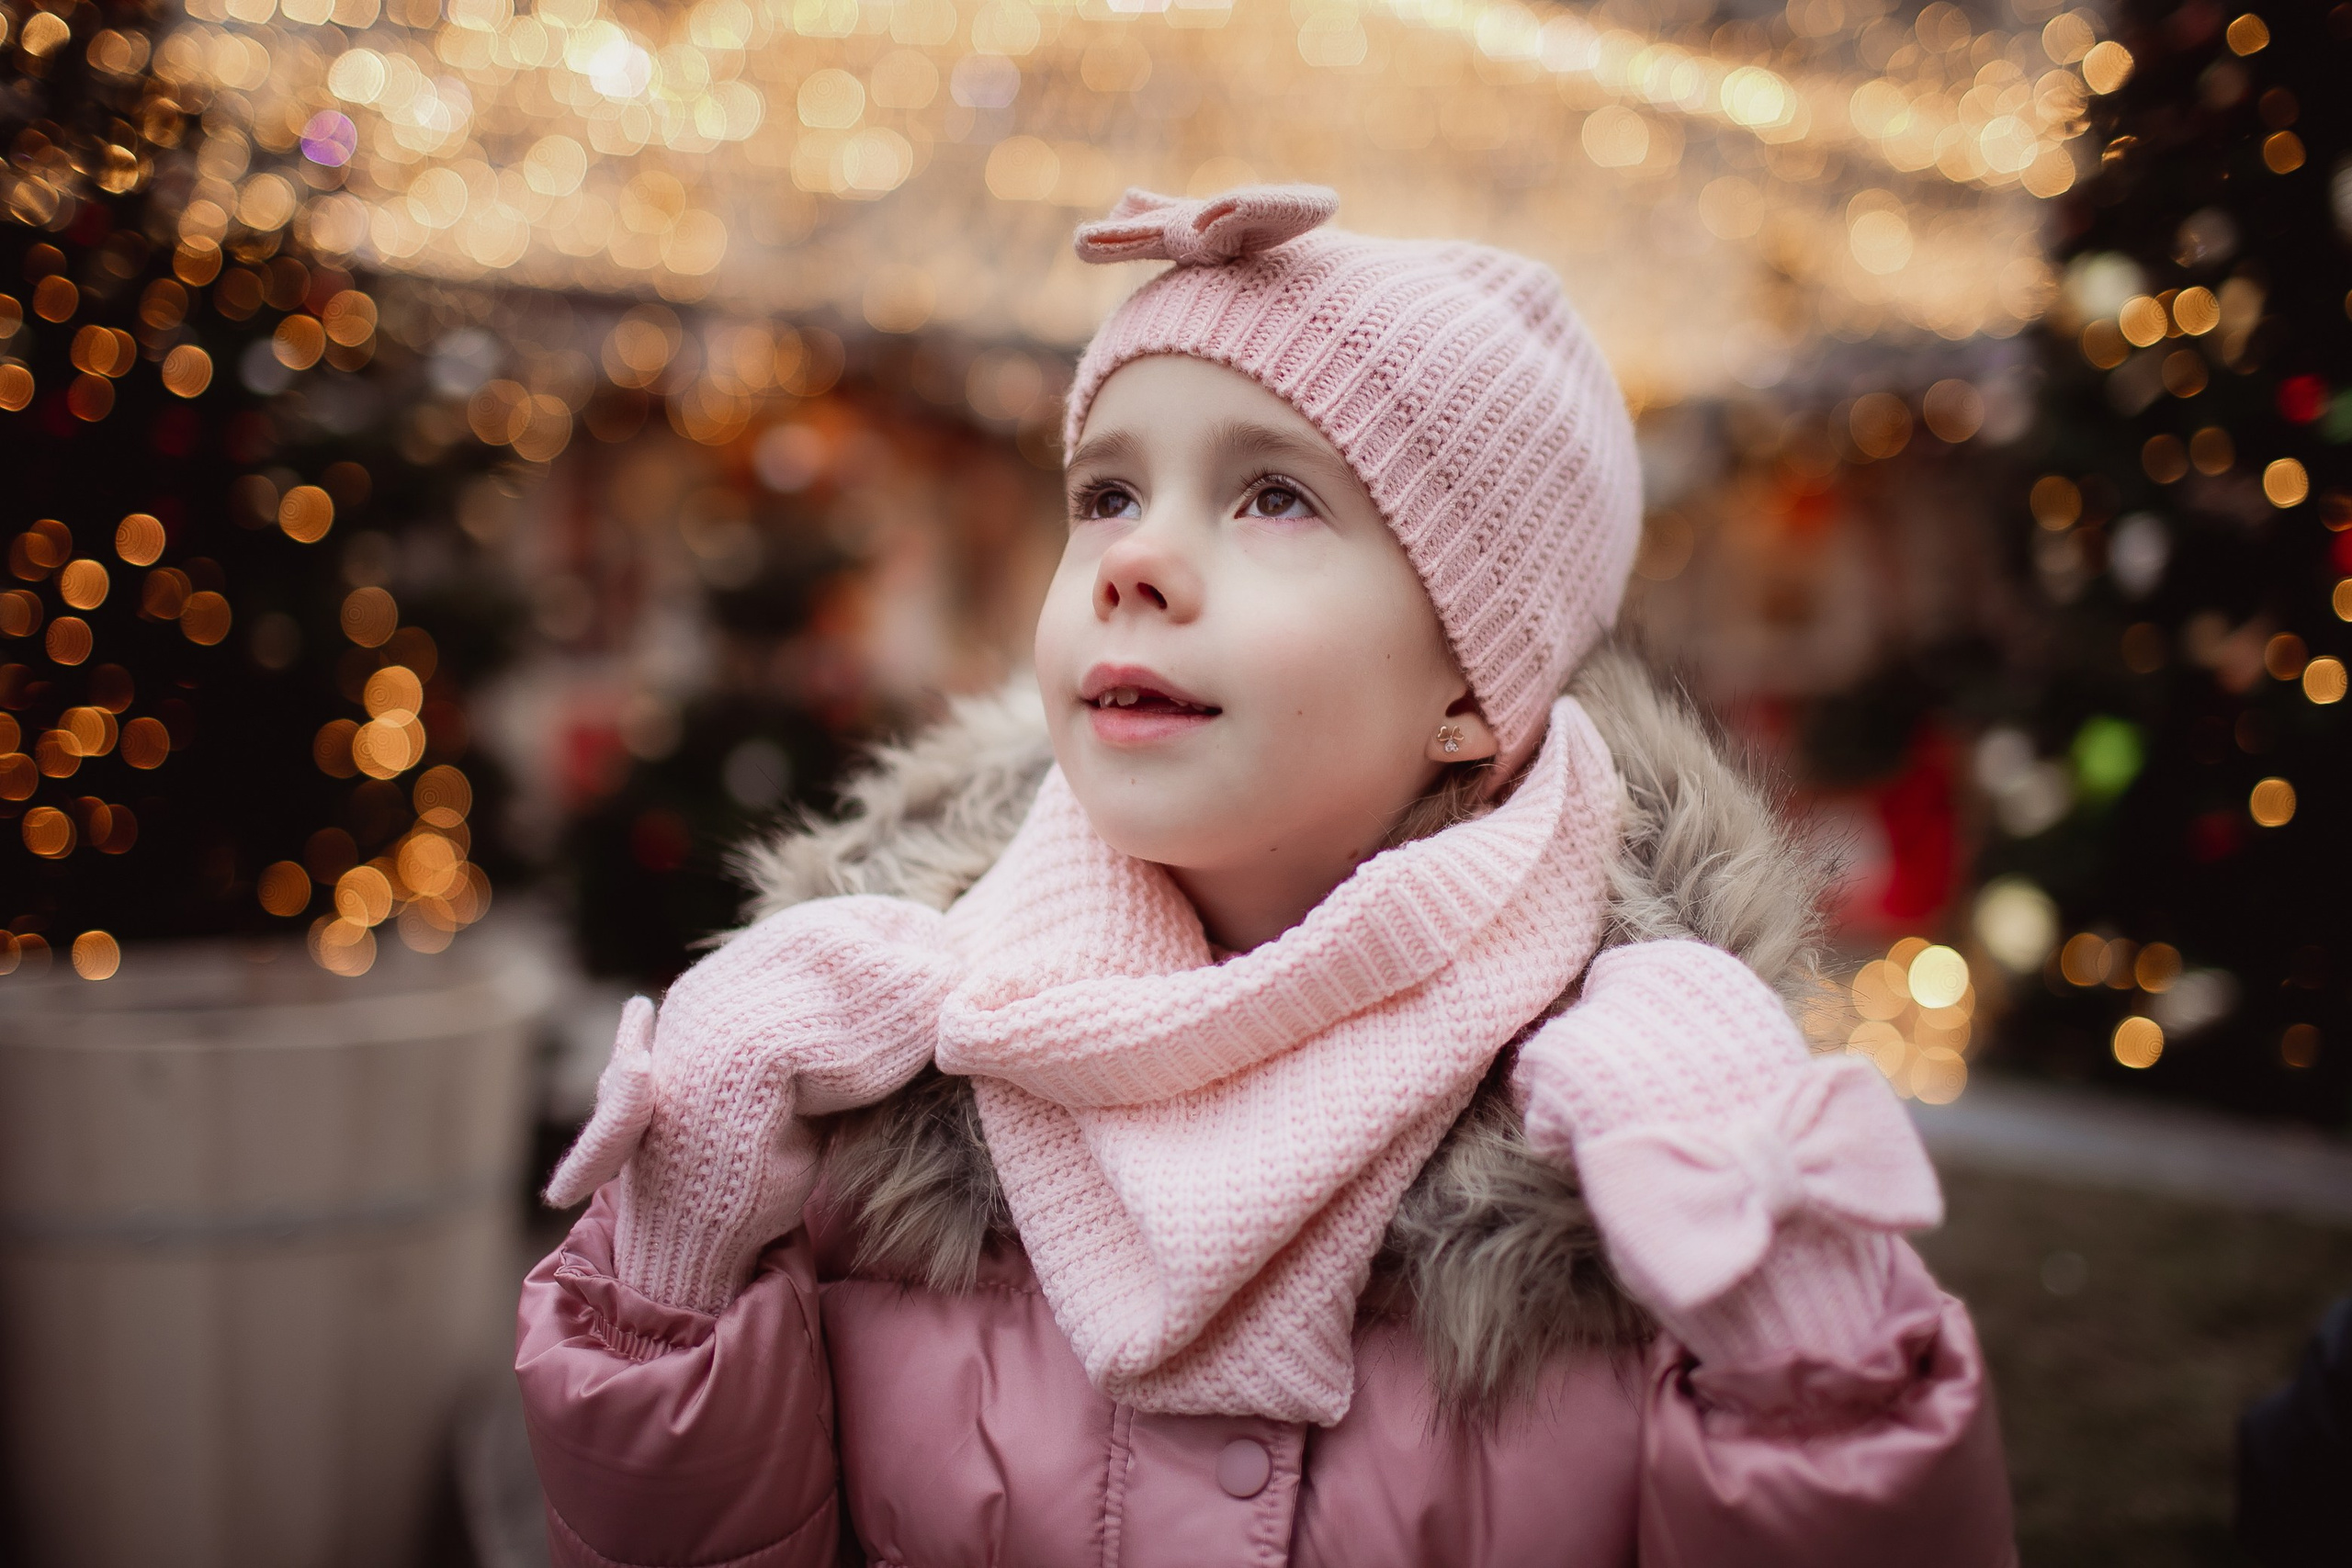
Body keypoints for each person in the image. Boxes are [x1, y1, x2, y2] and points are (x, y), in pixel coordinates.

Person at [516, 186, 2016, 1568]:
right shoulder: (881, 1068)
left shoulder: (1646, 1136)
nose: (1132, 562)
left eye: (1273, 498)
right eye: (1105, 494)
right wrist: (676, 1251)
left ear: (1474, 686)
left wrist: (1798, 1327)